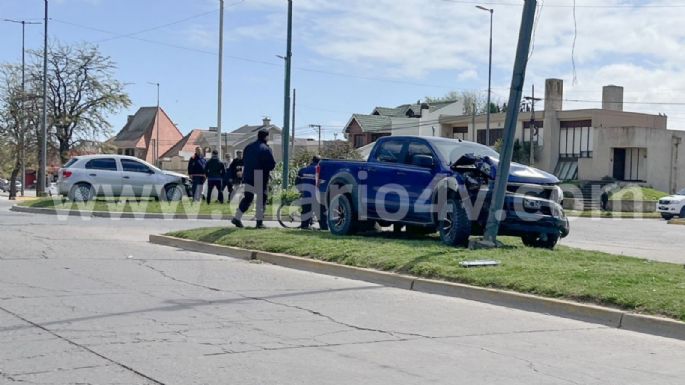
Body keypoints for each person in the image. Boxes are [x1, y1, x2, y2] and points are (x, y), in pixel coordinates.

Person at [231, 130, 276, 229]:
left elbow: (244, 161)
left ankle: (237, 217)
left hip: (248, 175)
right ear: (266, 137)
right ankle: (259, 223)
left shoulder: (248, 147)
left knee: (248, 197)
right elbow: (271, 165)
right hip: (260, 175)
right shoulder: (266, 149)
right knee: (261, 198)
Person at [295, 155, 323, 229]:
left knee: (305, 213)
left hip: (306, 195)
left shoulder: (303, 170)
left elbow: (297, 182)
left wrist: (301, 191)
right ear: (320, 162)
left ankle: (304, 227)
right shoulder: (321, 171)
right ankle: (324, 228)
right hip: (317, 197)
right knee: (321, 215)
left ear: (312, 160)